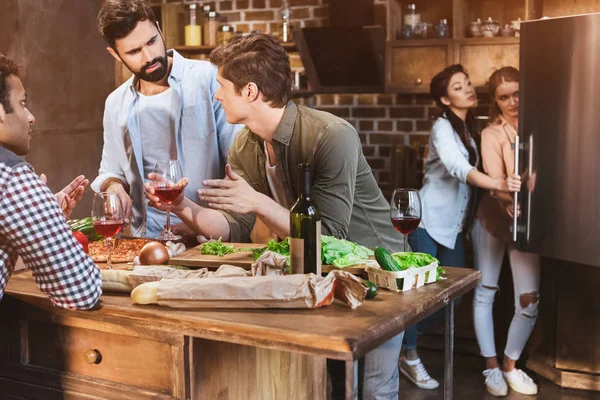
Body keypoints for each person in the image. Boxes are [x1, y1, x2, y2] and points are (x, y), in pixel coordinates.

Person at [145, 33, 405, 400]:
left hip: (377, 269)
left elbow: (331, 236)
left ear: (249, 91)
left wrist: (257, 203)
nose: (217, 95)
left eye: (222, 86)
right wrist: (182, 208)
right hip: (316, 271)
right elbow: (236, 227)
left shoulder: (331, 136)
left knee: (374, 388)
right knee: (322, 380)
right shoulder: (246, 143)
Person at [400, 64, 521, 390]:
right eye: (457, 86)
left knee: (451, 298)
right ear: (444, 98)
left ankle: (398, 338)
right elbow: (458, 169)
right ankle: (408, 354)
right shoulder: (442, 127)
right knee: (418, 297)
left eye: (467, 83)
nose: (467, 89)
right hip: (426, 223)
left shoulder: (468, 127)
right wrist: (501, 183)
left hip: (453, 227)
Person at [91, 0, 241, 239]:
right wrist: (114, 186)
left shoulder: (209, 79)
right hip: (146, 240)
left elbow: (239, 168)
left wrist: (205, 224)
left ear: (159, 30)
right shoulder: (115, 102)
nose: (149, 56)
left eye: (151, 41)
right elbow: (110, 169)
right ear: (115, 55)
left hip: (210, 238)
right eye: (133, 51)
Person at [0, 53, 102, 309]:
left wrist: (42, 219)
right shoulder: (13, 177)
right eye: (22, 103)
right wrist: (47, 219)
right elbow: (82, 291)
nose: (30, 116)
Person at [471, 66, 540, 396]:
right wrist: (507, 196)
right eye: (503, 97)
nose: (512, 101)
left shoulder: (539, 126)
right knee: (486, 291)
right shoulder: (491, 133)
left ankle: (511, 366)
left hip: (529, 221)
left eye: (517, 93)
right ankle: (491, 367)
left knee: (529, 301)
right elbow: (496, 181)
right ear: (494, 101)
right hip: (494, 220)